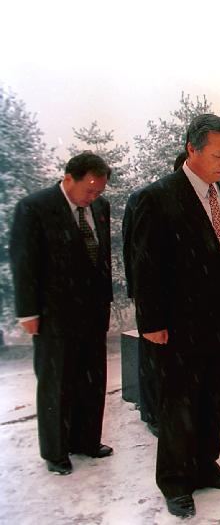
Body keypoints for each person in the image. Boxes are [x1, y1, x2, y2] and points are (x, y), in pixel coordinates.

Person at [132, 114, 220, 519]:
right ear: (191, 148)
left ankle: (205, 465)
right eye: (217, 154)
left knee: (214, 399)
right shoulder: (158, 197)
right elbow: (145, 266)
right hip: (177, 324)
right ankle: (176, 481)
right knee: (178, 405)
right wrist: (152, 322)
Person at [9, 152, 114, 476]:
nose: (94, 197)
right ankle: (56, 451)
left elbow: (102, 259)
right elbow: (24, 263)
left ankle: (86, 440)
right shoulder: (35, 208)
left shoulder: (100, 207)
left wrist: (106, 301)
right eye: (89, 191)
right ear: (69, 178)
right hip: (54, 313)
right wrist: (28, 312)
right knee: (57, 383)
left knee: (92, 379)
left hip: (93, 312)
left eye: (99, 192)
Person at [122, 151, 187, 437]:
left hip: (180, 298)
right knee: (152, 356)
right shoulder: (147, 199)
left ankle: (170, 408)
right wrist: (138, 293)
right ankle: (151, 411)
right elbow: (133, 251)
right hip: (153, 294)